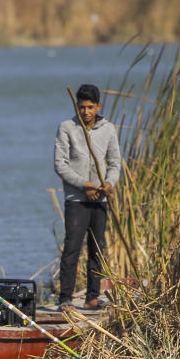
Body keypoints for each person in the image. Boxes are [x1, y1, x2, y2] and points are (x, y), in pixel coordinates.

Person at [53, 84, 120, 311]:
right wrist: (84, 185)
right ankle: (65, 299)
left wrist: (109, 183)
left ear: (98, 106)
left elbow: (115, 162)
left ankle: (92, 297)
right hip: (76, 199)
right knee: (72, 247)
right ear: (76, 106)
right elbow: (60, 165)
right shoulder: (67, 128)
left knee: (97, 248)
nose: (86, 112)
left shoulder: (108, 129)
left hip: (99, 200)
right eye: (82, 107)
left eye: (90, 107)